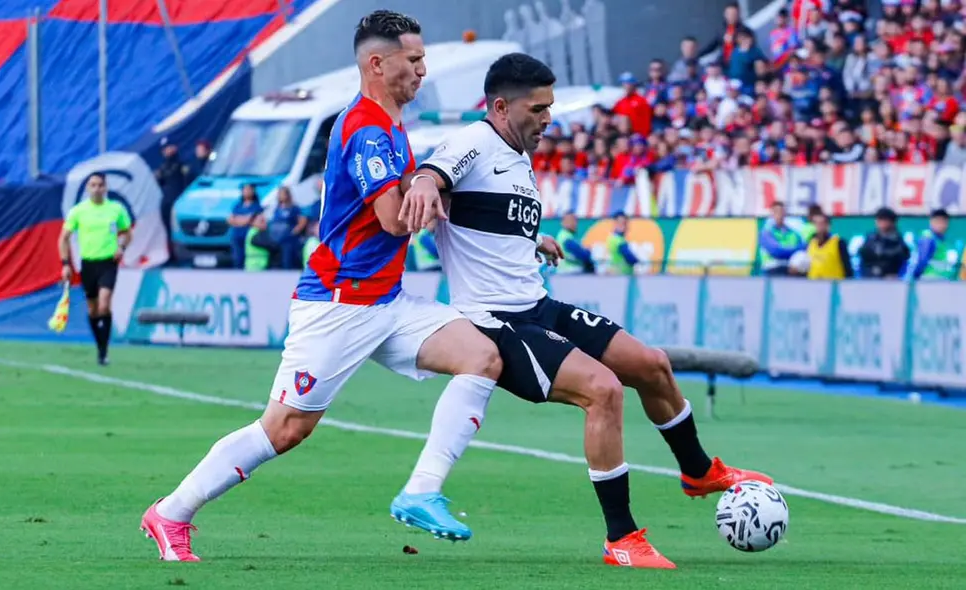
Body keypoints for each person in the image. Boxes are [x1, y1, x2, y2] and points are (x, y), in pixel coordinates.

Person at [140, 11, 502, 561]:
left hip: (387, 300)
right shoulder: (366, 128)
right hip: (339, 305)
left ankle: (422, 490)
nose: (424, 70)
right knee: (284, 429)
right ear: (377, 64)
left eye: (424, 59)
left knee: (481, 356)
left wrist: (454, 201)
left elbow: (407, 205)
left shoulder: (389, 123)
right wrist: (435, 196)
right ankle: (171, 512)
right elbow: (392, 219)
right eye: (414, 59)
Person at [396, 52, 771, 570]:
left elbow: (486, 219)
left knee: (650, 364)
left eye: (550, 106)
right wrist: (421, 185)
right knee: (603, 391)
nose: (548, 117)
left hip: (538, 305)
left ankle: (699, 471)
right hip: (497, 323)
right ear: (501, 106)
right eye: (539, 108)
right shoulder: (473, 140)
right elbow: (432, 175)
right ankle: (622, 538)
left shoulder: (515, 151)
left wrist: (534, 240)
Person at [58, 172, 132, 366]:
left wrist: (121, 247)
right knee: (92, 310)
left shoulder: (116, 209)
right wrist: (65, 264)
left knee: (104, 304)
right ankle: (100, 346)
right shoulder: (78, 211)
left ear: (105, 187)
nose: (97, 188)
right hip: (88, 264)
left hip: (108, 263)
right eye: (93, 185)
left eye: (100, 185)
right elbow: (63, 238)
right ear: (87, 188)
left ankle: (104, 351)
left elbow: (126, 232)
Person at [858, 207, 910, 279]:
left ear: (892, 222)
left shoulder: (898, 241)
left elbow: (903, 261)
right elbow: (863, 260)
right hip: (869, 279)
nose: (880, 222)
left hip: (891, 280)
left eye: (884, 219)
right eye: (878, 219)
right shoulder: (870, 238)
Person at [911, 209, 958, 281]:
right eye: (939, 222)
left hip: (941, 280)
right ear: (931, 222)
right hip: (929, 280)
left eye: (945, 222)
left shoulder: (941, 239)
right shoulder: (928, 238)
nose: (942, 225)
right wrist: (915, 277)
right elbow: (922, 260)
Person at [806, 211, 853, 280]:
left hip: (833, 286)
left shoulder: (839, 243)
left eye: (821, 223)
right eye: (816, 223)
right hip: (813, 285)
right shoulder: (811, 243)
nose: (818, 227)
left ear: (828, 225)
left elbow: (848, 268)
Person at [227, 184, 263, 269]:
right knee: (237, 259)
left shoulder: (256, 206)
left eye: (249, 190)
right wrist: (246, 220)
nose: (247, 192)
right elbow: (230, 219)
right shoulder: (238, 205)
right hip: (237, 236)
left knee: (247, 259)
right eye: (245, 190)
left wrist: (239, 220)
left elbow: (256, 221)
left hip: (249, 238)